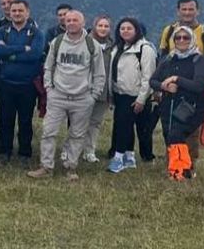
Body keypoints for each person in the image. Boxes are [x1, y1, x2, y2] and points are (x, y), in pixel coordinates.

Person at [28, 11, 104, 181]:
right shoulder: (58, 42)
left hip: (83, 97)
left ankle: (71, 167)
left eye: (75, 20)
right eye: (68, 20)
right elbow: (48, 66)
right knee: (49, 132)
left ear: (83, 22)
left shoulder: (92, 45)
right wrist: (49, 88)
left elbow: (99, 73)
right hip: (58, 95)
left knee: (77, 134)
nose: (71, 23)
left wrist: (94, 95)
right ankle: (46, 167)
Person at [158, 0, 204, 172]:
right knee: (170, 126)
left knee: (190, 130)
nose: (187, 12)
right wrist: (162, 84)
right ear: (178, 11)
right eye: (183, 9)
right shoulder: (169, 31)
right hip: (171, 89)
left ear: (197, 10)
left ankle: (188, 166)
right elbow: (163, 56)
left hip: (194, 91)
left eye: (191, 9)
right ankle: (173, 163)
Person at [149, 26, 204, 181]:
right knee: (169, 136)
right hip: (168, 107)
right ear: (173, 40)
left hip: (191, 108)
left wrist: (176, 79)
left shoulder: (200, 60)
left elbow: (198, 85)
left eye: (186, 37)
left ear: (192, 40)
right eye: (178, 38)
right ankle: (177, 169)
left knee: (178, 135)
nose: (182, 40)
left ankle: (181, 172)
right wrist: (165, 85)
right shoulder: (169, 59)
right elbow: (153, 81)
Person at [0, 0, 45, 164]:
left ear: (27, 13)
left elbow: (35, 55)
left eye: (20, 11)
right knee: (6, 119)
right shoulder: (2, 31)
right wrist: (21, 49)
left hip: (28, 85)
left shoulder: (36, 33)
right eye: (14, 11)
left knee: (25, 120)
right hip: (6, 83)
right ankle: (4, 151)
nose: (16, 13)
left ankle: (24, 153)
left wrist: (9, 52)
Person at [107, 17, 156, 173]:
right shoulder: (118, 48)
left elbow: (148, 77)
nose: (125, 31)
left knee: (123, 127)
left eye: (129, 28)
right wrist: (110, 93)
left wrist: (142, 99)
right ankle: (129, 157)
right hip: (119, 93)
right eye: (122, 28)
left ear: (137, 30)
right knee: (124, 126)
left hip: (135, 95)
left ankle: (118, 159)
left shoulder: (145, 49)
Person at [79, 14, 113, 163]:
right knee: (79, 121)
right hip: (85, 89)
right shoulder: (85, 43)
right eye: (100, 25)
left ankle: (89, 150)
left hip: (104, 90)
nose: (103, 29)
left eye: (106, 26)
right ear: (94, 26)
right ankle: (72, 149)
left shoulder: (114, 46)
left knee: (95, 122)